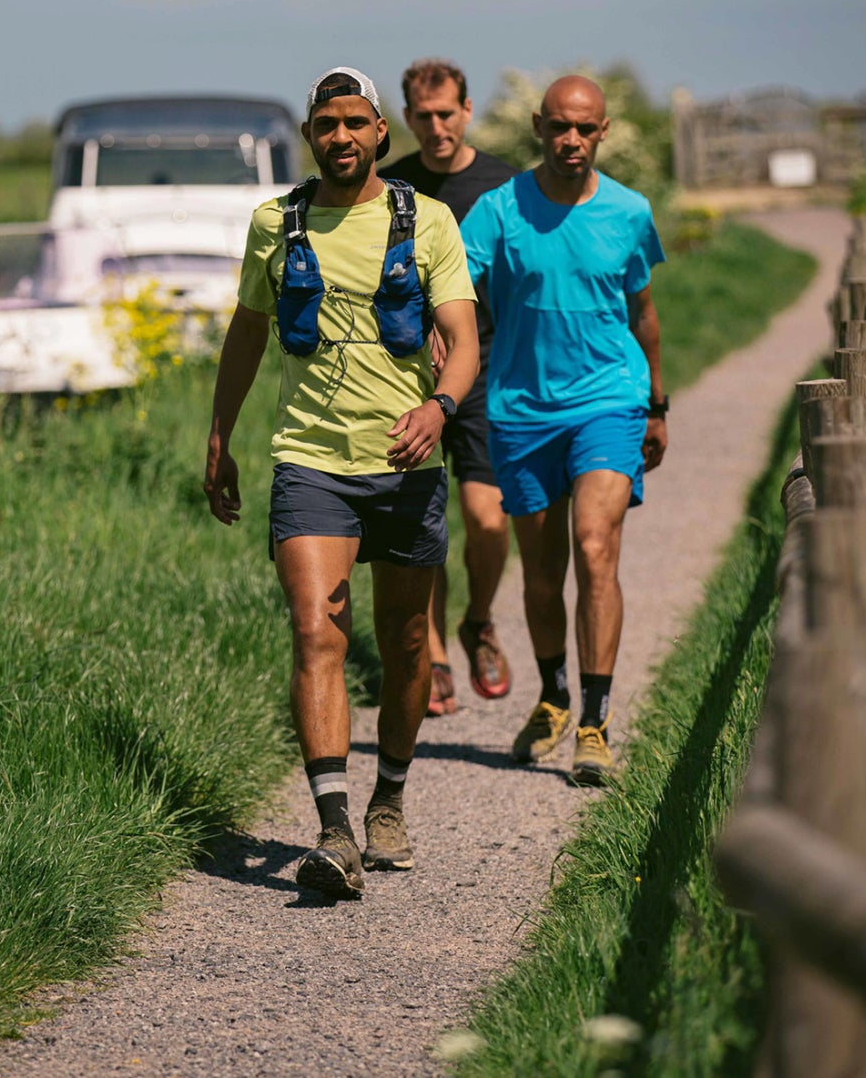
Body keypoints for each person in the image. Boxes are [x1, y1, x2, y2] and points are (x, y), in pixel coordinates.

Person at [204, 67, 480, 897]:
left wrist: (439, 407)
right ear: (311, 136)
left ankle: (387, 799)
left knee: (403, 648)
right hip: (310, 459)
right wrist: (219, 438)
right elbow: (247, 335)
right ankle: (332, 830)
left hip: (405, 465)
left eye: (356, 122)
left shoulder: (425, 220)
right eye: (327, 124)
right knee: (317, 630)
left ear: (379, 135)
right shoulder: (276, 223)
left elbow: (463, 340)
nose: (342, 137)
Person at [458, 74, 667, 788]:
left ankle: (596, 721)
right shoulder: (496, 211)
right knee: (543, 574)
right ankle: (552, 696)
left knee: (594, 545)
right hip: (520, 407)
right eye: (558, 127)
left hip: (609, 398)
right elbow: (454, 286)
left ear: (603, 130)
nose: (570, 140)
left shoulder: (630, 212)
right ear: (539, 129)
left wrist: (659, 403)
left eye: (584, 128)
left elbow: (642, 311)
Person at [381, 57, 521, 718]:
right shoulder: (389, 187)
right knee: (421, 520)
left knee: (488, 520)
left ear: (467, 111)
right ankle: (432, 650)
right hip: (405, 376)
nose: (436, 126)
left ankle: (479, 620)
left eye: (447, 113)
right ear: (407, 119)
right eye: (423, 116)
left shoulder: (503, 186)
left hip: (487, 367)